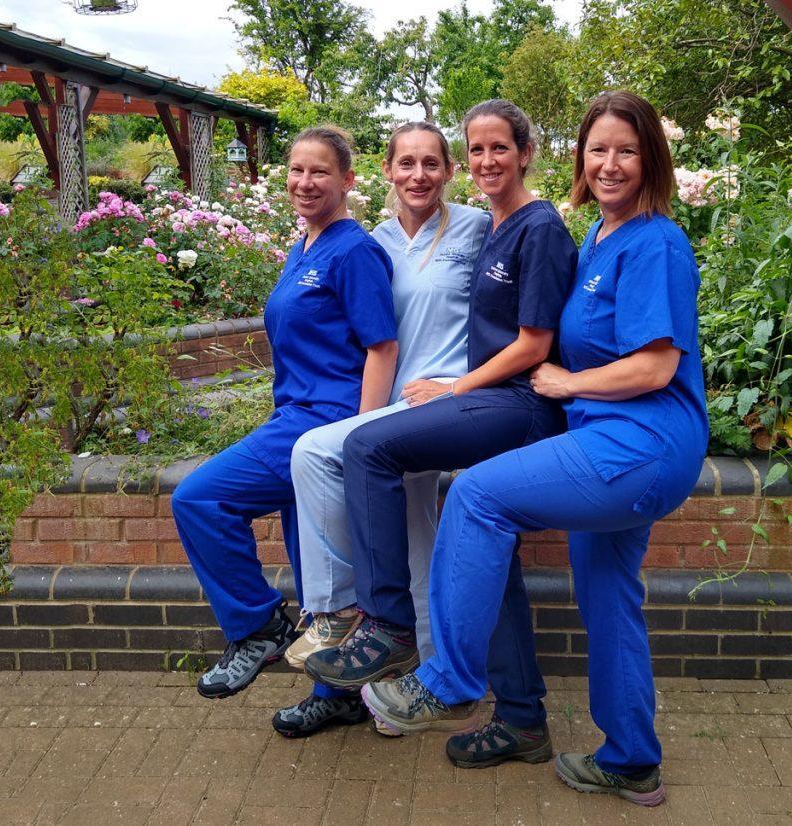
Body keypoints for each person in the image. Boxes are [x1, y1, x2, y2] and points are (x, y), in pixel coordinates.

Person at [359, 91, 708, 808]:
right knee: (607, 593)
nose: (609, 164)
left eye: (627, 150)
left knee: (475, 496)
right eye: (598, 149)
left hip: (640, 444)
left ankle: (448, 683)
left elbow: (655, 366)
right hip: (606, 440)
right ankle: (631, 760)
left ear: (651, 160)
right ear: (580, 157)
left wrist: (566, 380)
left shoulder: (656, 242)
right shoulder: (602, 236)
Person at [303, 99, 578, 768]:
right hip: (482, 401)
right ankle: (522, 719)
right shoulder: (498, 225)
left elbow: (535, 343)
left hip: (512, 402)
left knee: (366, 447)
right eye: (477, 149)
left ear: (525, 153)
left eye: (498, 148)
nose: (486, 160)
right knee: (485, 539)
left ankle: (386, 627)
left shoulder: (534, 226)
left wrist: (455, 387)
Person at [270, 122, 489, 737]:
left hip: (446, 402)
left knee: (324, 462)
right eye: (406, 163)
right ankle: (403, 679)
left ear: (449, 171)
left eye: (431, 163)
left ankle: (353, 625)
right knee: (409, 543)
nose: (419, 175)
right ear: (387, 172)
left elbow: (506, 314)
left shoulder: (477, 228)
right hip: (393, 411)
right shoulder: (376, 242)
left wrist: (466, 386)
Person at [171, 126, 399, 701]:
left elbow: (381, 348)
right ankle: (336, 700)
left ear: (347, 180)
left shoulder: (354, 251)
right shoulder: (304, 246)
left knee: (200, 499)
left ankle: (257, 626)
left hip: (323, 423)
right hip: (293, 418)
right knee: (317, 572)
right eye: (297, 170)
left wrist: (355, 436)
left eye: (320, 171)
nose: (305, 181)